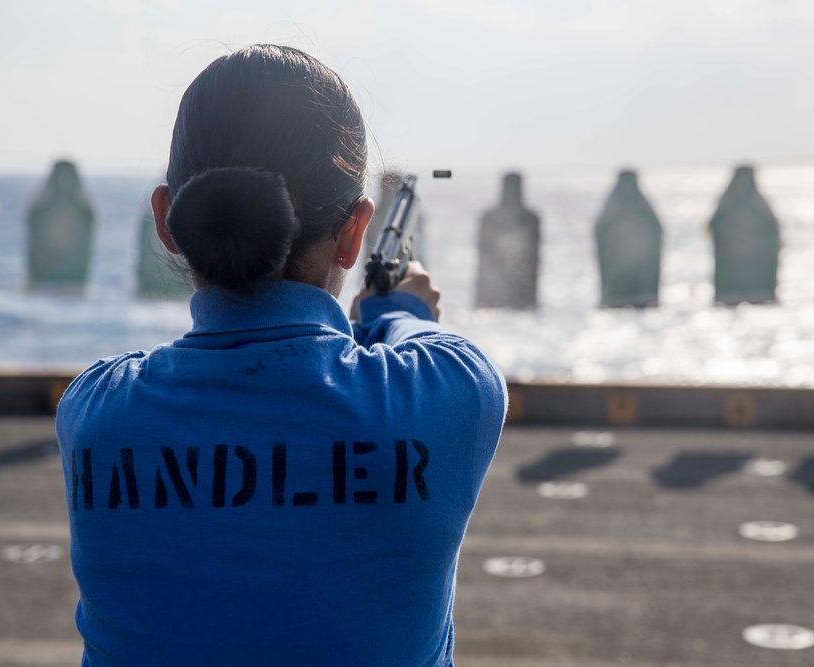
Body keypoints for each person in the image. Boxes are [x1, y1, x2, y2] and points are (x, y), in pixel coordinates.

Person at [56, 44, 507, 666]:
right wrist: (393, 312)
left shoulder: (92, 412)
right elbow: (421, 344)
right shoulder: (454, 389)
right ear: (354, 234)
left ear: (167, 220)